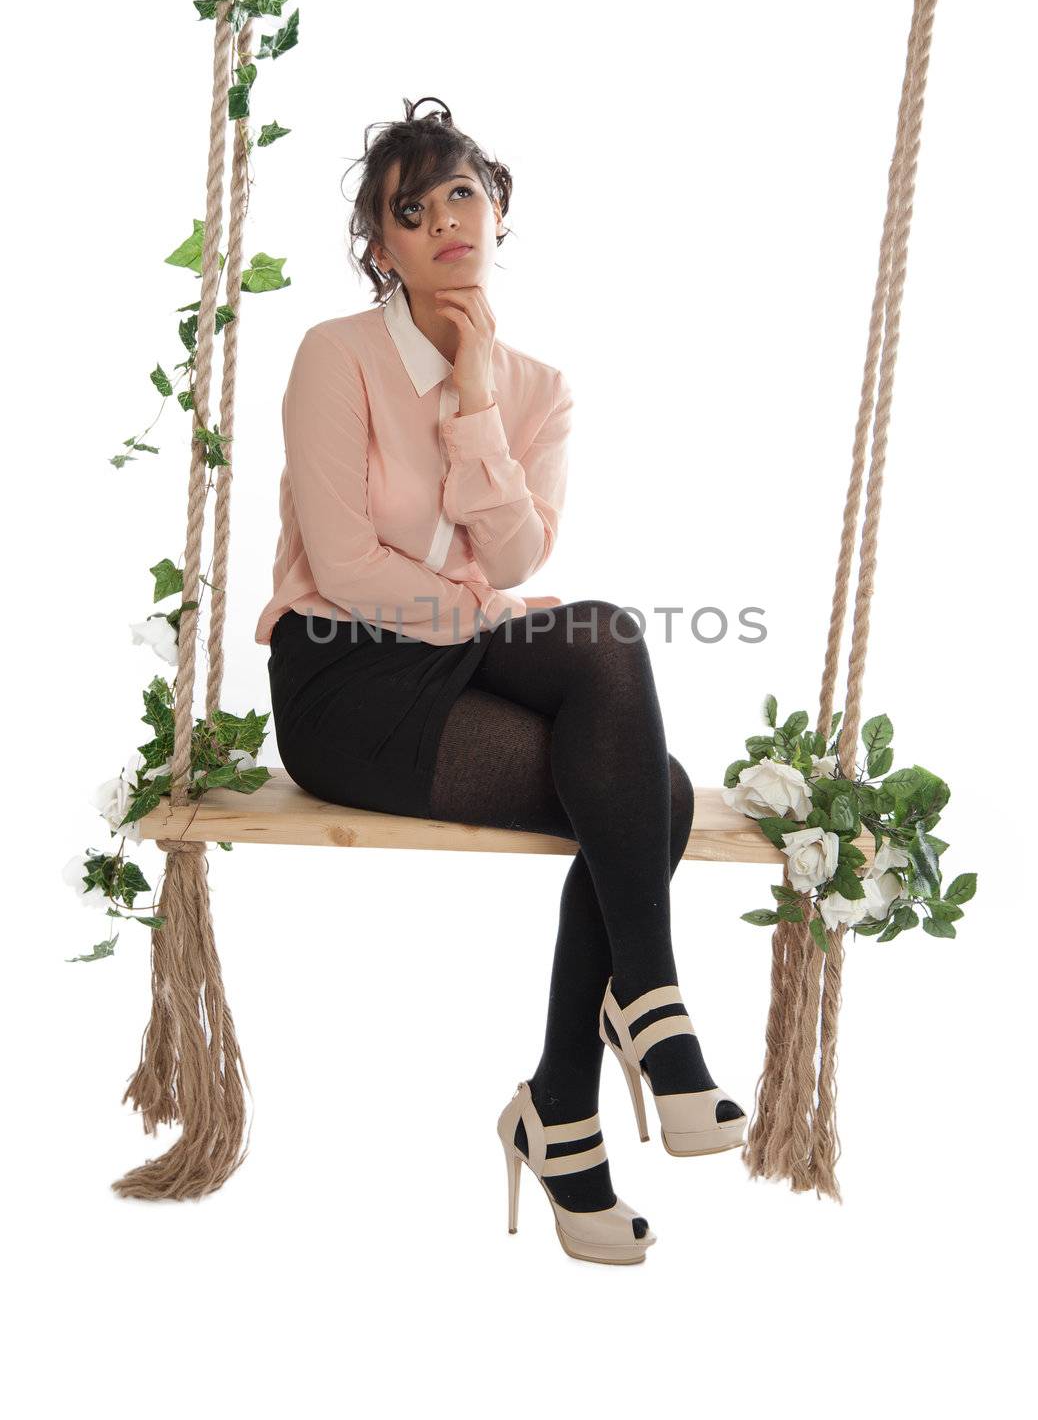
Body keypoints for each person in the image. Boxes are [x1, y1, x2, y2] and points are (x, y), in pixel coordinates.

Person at [255, 96, 746, 1266]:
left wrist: (477, 400)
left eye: (463, 192)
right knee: (637, 765)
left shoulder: (535, 387)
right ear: (383, 246)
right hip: (344, 680)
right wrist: (483, 614)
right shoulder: (337, 356)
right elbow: (341, 562)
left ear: (498, 209)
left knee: (644, 772)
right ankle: (635, 1035)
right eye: (411, 210)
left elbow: (526, 555)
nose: (444, 222)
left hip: (457, 650)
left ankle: (564, 1105)